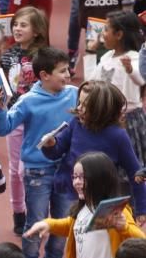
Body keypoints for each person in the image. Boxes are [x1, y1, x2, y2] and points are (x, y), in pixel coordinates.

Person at [0, 47, 78, 258]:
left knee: (63, 220)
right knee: (36, 221)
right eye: (62, 71)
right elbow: (4, 127)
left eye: (68, 69)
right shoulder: (28, 100)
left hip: (67, 169)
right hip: (37, 170)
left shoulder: (74, 94)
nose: (68, 74)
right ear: (44, 75)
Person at [41, 80, 146, 223]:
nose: (79, 108)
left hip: (99, 200)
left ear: (101, 109)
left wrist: (141, 208)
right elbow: (56, 152)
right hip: (71, 194)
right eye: (79, 102)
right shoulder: (76, 123)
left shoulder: (118, 136)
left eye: (85, 105)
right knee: (66, 234)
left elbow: (136, 174)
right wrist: (51, 144)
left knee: (95, 238)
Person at [0, 5, 49, 235]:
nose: (17, 28)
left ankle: (38, 212)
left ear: (36, 31)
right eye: (15, 24)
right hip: (15, 116)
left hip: (38, 119)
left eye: (23, 25)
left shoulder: (44, 55)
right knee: (15, 170)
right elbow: (3, 80)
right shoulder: (9, 54)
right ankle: (18, 212)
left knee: (32, 169)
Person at [89, 10, 146, 164]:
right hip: (105, 118)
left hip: (127, 120)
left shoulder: (134, 57)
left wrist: (130, 70)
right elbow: (90, 82)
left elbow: (141, 79)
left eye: (106, 29)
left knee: (130, 166)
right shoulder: (107, 56)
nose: (102, 34)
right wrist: (90, 51)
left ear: (119, 34)